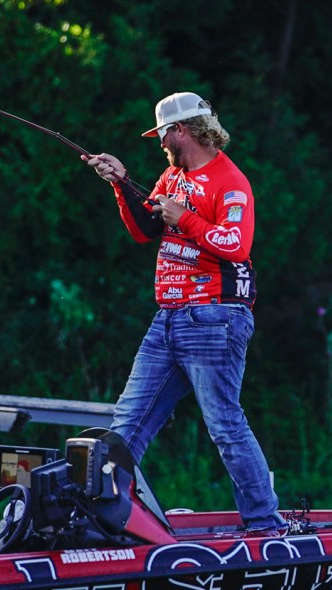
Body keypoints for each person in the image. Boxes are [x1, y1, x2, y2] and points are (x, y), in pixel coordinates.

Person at [83, 92, 286, 534]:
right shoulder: (172, 176)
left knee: (224, 425)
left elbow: (237, 246)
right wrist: (121, 183)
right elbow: (145, 229)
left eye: (162, 134)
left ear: (182, 130)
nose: (160, 143)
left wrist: (185, 218)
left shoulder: (230, 181)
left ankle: (266, 526)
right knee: (127, 423)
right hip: (169, 317)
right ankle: (101, 521)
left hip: (215, 315)